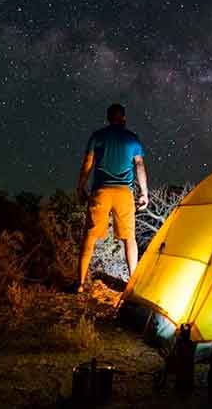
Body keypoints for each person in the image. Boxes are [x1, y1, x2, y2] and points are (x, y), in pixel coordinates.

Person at [76, 103, 148, 292]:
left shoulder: (97, 136)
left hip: (101, 191)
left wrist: (80, 186)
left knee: (89, 237)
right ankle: (132, 285)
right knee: (129, 238)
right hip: (124, 193)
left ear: (108, 118)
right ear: (124, 118)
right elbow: (139, 165)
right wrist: (144, 192)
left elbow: (87, 163)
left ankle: (80, 284)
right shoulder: (133, 139)